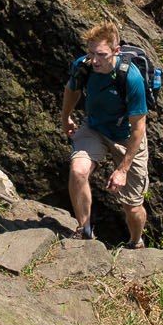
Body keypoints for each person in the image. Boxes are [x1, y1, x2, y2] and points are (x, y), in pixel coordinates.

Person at [59, 21, 149, 248]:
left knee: (133, 205)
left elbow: (139, 129)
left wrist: (122, 170)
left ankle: (136, 241)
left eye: (101, 54)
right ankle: (85, 230)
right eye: (90, 53)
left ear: (116, 51)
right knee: (78, 171)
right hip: (95, 128)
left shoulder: (131, 78)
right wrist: (65, 116)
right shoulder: (84, 66)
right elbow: (72, 89)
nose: (94, 60)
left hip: (126, 137)